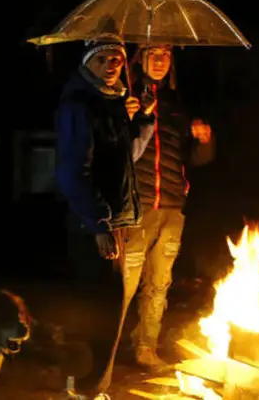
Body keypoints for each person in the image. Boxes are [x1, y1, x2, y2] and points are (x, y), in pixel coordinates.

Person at [55, 34, 154, 396]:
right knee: (98, 312)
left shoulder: (112, 103)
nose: (110, 66)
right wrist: (97, 223)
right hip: (96, 223)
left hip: (115, 220)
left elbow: (129, 159)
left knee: (107, 313)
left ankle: (89, 387)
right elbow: (71, 172)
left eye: (116, 60)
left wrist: (141, 119)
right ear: (86, 66)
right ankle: (84, 389)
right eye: (101, 61)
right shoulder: (80, 106)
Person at [123, 44, 215, 370]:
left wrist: (203, 141)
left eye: (165, 54)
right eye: (152, 53)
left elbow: (192, 159)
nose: (160, 60)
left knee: (159, 283)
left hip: (173, 205)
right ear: (139, 57)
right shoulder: (126, 97)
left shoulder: (177, 105)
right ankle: (110, 350)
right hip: (138, 204)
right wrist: (127, 116)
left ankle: (145, 348)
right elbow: (112, 148)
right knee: (127, 281)